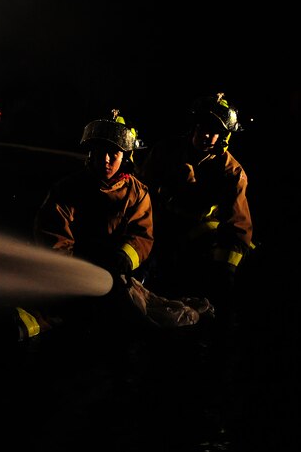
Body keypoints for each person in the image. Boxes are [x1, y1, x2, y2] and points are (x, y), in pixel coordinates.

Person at [14, 111, 155, 340]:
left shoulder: (137, 193)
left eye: (114, 153)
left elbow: (142, 235)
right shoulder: (67, 188)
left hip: (117, 270)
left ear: (126, 156)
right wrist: (69, 272)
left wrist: (124, 258)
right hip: (74, 265)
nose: (106, 159)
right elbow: (53, 234)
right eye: (100, 151)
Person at [137, 93, 254, 315]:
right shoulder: (166, 151)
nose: (207, 135)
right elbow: (142, 195)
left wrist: (225, 271)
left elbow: (237, 225)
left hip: (200, 242)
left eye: (215, 132)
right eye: (203, 128)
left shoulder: (232, 172)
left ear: (225, 137)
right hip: (158, 230)